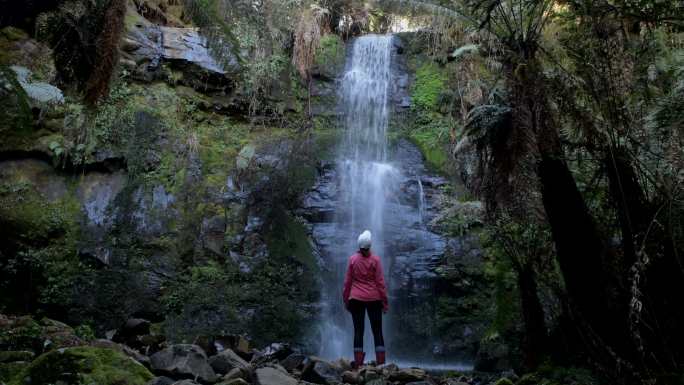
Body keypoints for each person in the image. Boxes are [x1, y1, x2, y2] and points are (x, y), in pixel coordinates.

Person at [342, 230, 389, 368]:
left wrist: (346, 300)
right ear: (370, 246)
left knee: (358, 330)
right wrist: (384, 303)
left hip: (355, 299)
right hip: (374, 299)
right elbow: (380, 283)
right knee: (377, 330)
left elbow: (347, 282)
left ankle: (358, 363)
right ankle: (381, 364)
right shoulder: (375, 260)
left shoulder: (352, 259)